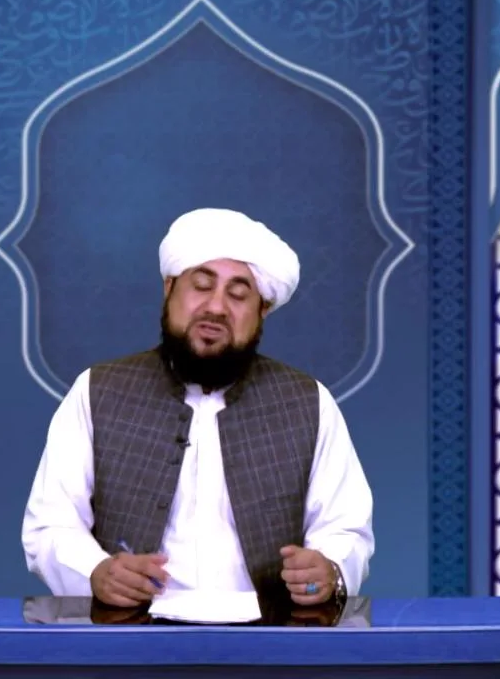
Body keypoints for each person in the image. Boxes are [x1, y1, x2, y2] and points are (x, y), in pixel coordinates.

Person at [21, 207, 374, 609]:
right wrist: (95, 572)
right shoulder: (96, 390)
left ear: (262, 310)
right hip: (128, 634)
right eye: (201, 286)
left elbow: (346, 529)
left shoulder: (308, 401)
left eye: (238, 295)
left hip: (271, 636)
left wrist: (329, 570)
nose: (216, 307)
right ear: (169, 287)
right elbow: (50, 526)